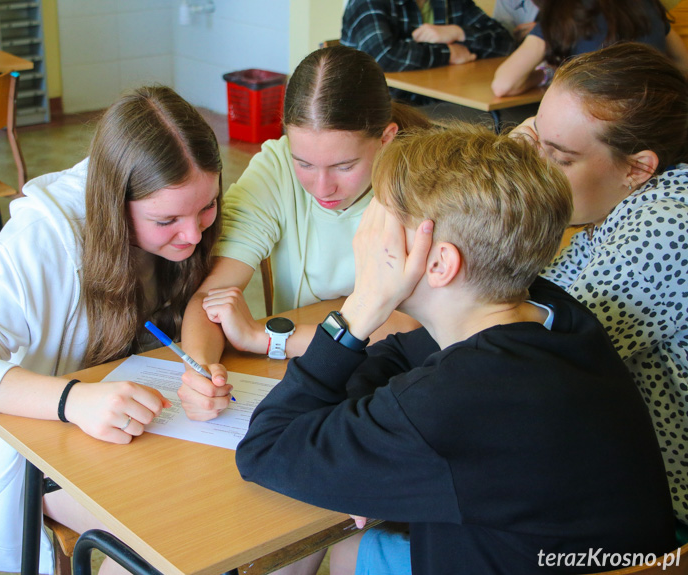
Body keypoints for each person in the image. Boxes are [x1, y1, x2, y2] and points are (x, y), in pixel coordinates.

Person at [235, 124, 676, 575]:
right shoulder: (555, 315)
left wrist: (359, 311)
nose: (367, 240)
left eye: (382, 224)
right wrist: (361, 443)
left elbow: (265, 448)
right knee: (360, 546)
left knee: (348, 549)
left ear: (440, 263)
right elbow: (400, 355)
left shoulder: (451, 401)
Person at [0, 86, 223, 575]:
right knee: (172, 542)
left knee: (233, 515)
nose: (193, 235)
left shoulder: (185, 215)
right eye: (166, 220)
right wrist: (73, 400)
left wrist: (201, 370)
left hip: (151, 430)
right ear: (115, 204)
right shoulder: (43, 238)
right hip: (52, 451)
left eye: (207, 208)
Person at [178, 45, 429, 422]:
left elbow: (407, 329)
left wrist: (268, 338)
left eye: (344, 166)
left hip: (404, 382)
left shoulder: (425, 182)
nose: (322, 187)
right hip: (308, 372)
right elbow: (210, 298)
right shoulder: (275, 169)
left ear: (386, 138)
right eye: (304, 163)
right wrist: (200, 368)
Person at [511, 42, 688, 543]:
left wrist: (516, 201)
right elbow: (535, 298)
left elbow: (528, 358)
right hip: (607, 477)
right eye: (536, 141)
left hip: (657, 514)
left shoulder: (667, 226)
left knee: (388, 539)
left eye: (560, 159)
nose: (539, 171)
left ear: (637, 167)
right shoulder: (627, 203)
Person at [492, 0, 688, 96]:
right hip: (657, 119)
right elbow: (684, 64)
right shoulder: (646, 4)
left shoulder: (563, 14)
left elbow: (504, 84)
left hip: (601, 125)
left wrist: (547, 75)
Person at [340, 0, 513, 104]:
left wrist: (457, 32)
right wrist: (449, 52)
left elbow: (505, 42)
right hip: (380, 110)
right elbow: (383, 56)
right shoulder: (368, 2)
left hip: (440, 105)